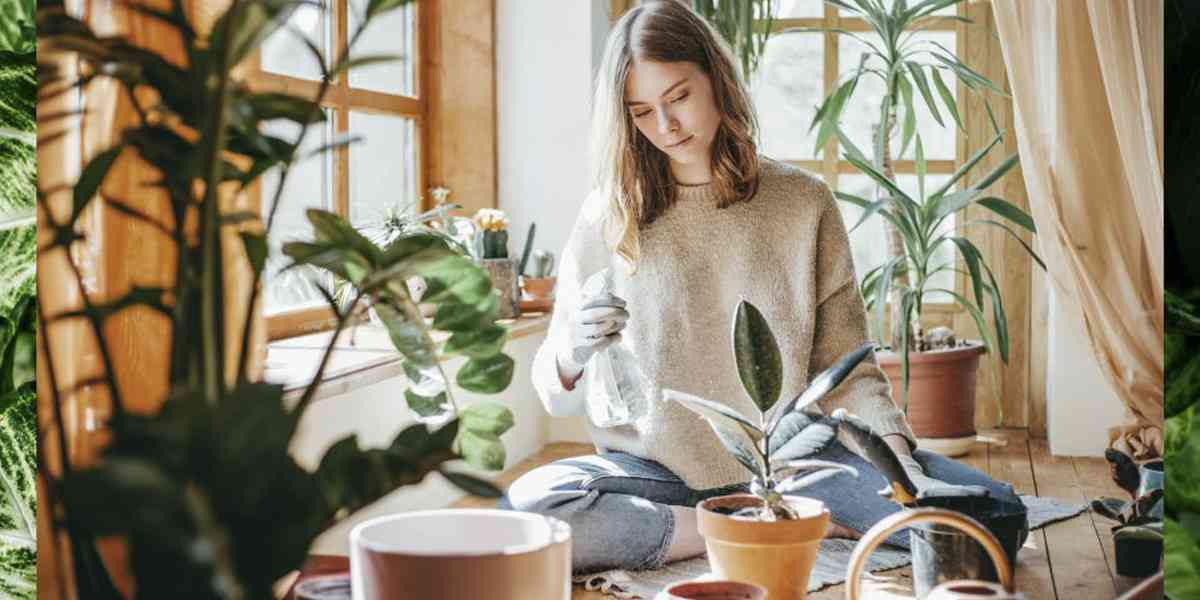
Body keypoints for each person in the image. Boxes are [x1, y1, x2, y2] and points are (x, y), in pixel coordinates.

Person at [499, 0, 1023, 575]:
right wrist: (573, 349)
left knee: (993, 516)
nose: (666, 126)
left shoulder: (803, 202)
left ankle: (787, 512)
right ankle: (743, 526)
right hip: (656, 472)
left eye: (678, 97)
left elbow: (848, 369)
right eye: (642, 112)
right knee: (535, 507)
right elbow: (555, 390)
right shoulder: (610, 213)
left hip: (796, 464)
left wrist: (903, 469)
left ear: (717, 81)